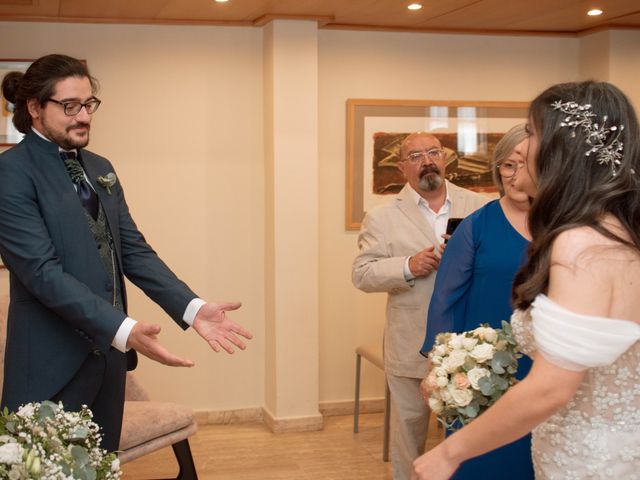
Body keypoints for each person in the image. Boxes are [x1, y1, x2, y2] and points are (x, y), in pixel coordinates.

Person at [0, 54, 253, 452]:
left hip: (108, 364)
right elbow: (41, 273)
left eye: (88, 104)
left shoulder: (101, 166)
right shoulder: (11, 172)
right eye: (69, 106)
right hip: (49, 368)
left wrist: (191, 306)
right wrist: (125, 329)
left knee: (101, 468)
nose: (83, 116)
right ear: (34, 108)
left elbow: (132, 250)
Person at [412, 81, 640, 480]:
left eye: (532, 132)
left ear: (558, 150)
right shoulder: (618, 229)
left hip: (587, 459)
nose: (520, 147)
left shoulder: (580, 244)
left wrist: (450, 452)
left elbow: (553, 387)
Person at [352, 131, 489, 479]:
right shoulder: (382, 218)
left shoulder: (481, 206)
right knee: (409, 433)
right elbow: (362, 274)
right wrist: (408, 265)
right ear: (402, 168)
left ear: (444, 159)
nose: (426, 161)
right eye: (415, 156)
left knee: (470, 434)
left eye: (433, 152)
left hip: (472, 344)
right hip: (410, 343)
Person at [419, 124, 534, 480]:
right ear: (498, 170)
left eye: (528, 164)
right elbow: (446, 298)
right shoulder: (476, 226)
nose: (516, 176)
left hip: (546, 363)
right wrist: (439, 368)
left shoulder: (565, 225)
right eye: (508, 166)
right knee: (483, 463)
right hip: (485, 368)